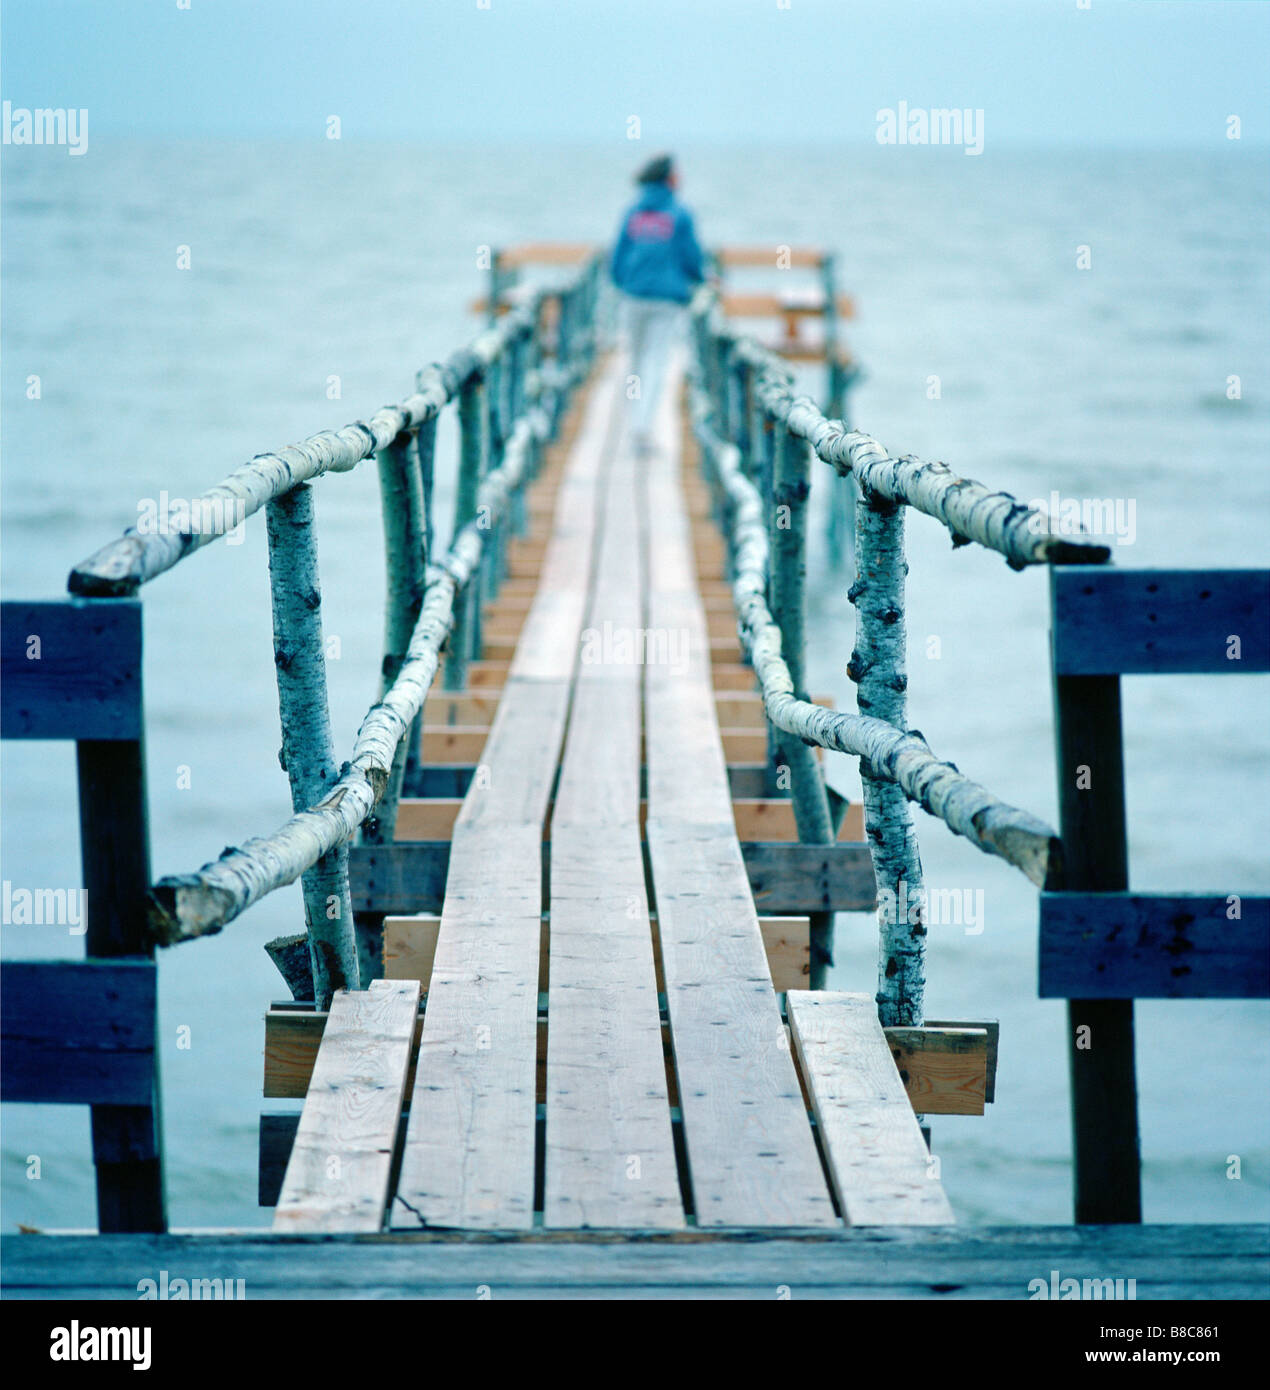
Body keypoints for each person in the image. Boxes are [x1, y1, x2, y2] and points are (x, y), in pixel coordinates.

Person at [609, 153, 706, 453]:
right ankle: (641, 430)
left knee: (635, 363)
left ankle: (634, 427)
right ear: (669, 178)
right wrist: (702, 279)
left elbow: (616, 259)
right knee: (656, 362)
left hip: (633, 297)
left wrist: (625, 283)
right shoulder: (680, 214)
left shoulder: (632, 213)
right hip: (666, 300)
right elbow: (692, 259)